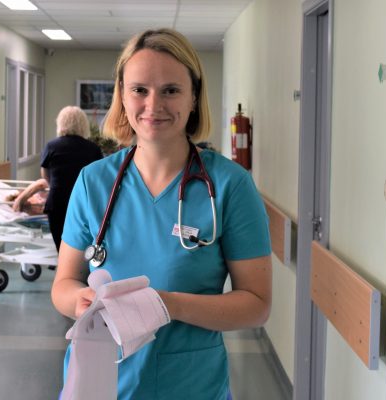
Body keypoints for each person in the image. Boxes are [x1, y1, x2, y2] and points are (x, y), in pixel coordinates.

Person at [52, 28, 272, 399]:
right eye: (140, 89)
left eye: (170, 90)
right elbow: (63, 284)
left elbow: (256, 305)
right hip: (97, 383)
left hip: (190, 386)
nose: (153, 105)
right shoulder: (93, 182)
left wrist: (166, 305)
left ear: (193, 97)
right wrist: (81, 301)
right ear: (123, 96)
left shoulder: (230, 186)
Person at [12, 106, 102, 251]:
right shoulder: (93, 149)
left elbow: (45, 177)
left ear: (61, 123)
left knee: (61, 248)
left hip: (57, 204)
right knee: (83, 247)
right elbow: (97, 178)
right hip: (83, 203)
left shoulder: (52, 146)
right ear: (83, 124)